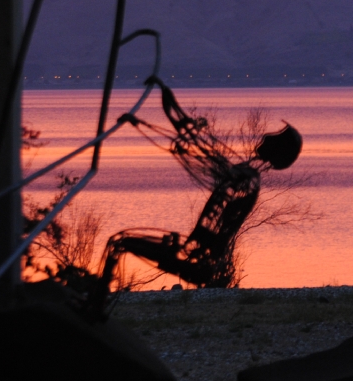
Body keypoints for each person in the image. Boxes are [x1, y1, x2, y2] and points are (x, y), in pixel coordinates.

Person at [89, 79, 301, 312]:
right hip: (197, 256)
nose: (267, 137)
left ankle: (95, 307)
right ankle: (97, 304)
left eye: (275, 137)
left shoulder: (244, 179)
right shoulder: (244, 176)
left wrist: (158, 100)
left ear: (277, 150)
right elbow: (189, 134)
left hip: (198, 261)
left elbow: (192, 138)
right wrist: (162, 94)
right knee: (119, 242)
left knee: (118, 242)